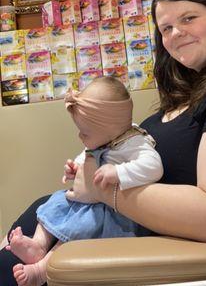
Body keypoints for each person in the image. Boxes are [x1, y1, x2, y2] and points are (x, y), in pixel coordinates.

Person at [1, 0, 206, 285]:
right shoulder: (184, 97)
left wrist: (102, 191)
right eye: (166, 27)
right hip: (72, 218)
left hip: (109, 231)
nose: (175, 34)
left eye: (189, 18)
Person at [4, 76, 163, 286]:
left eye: (85, 132)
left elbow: (154, 167)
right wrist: (75, 169)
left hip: (112, 212)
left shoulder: (134, 142)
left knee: (76, 232)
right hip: (88, 201)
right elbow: (87, 154)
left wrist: (118, 173)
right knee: (53, 205)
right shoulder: (105, 137)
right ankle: (38, 244)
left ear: (110, 126)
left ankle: (42, 271)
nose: (80, 136)